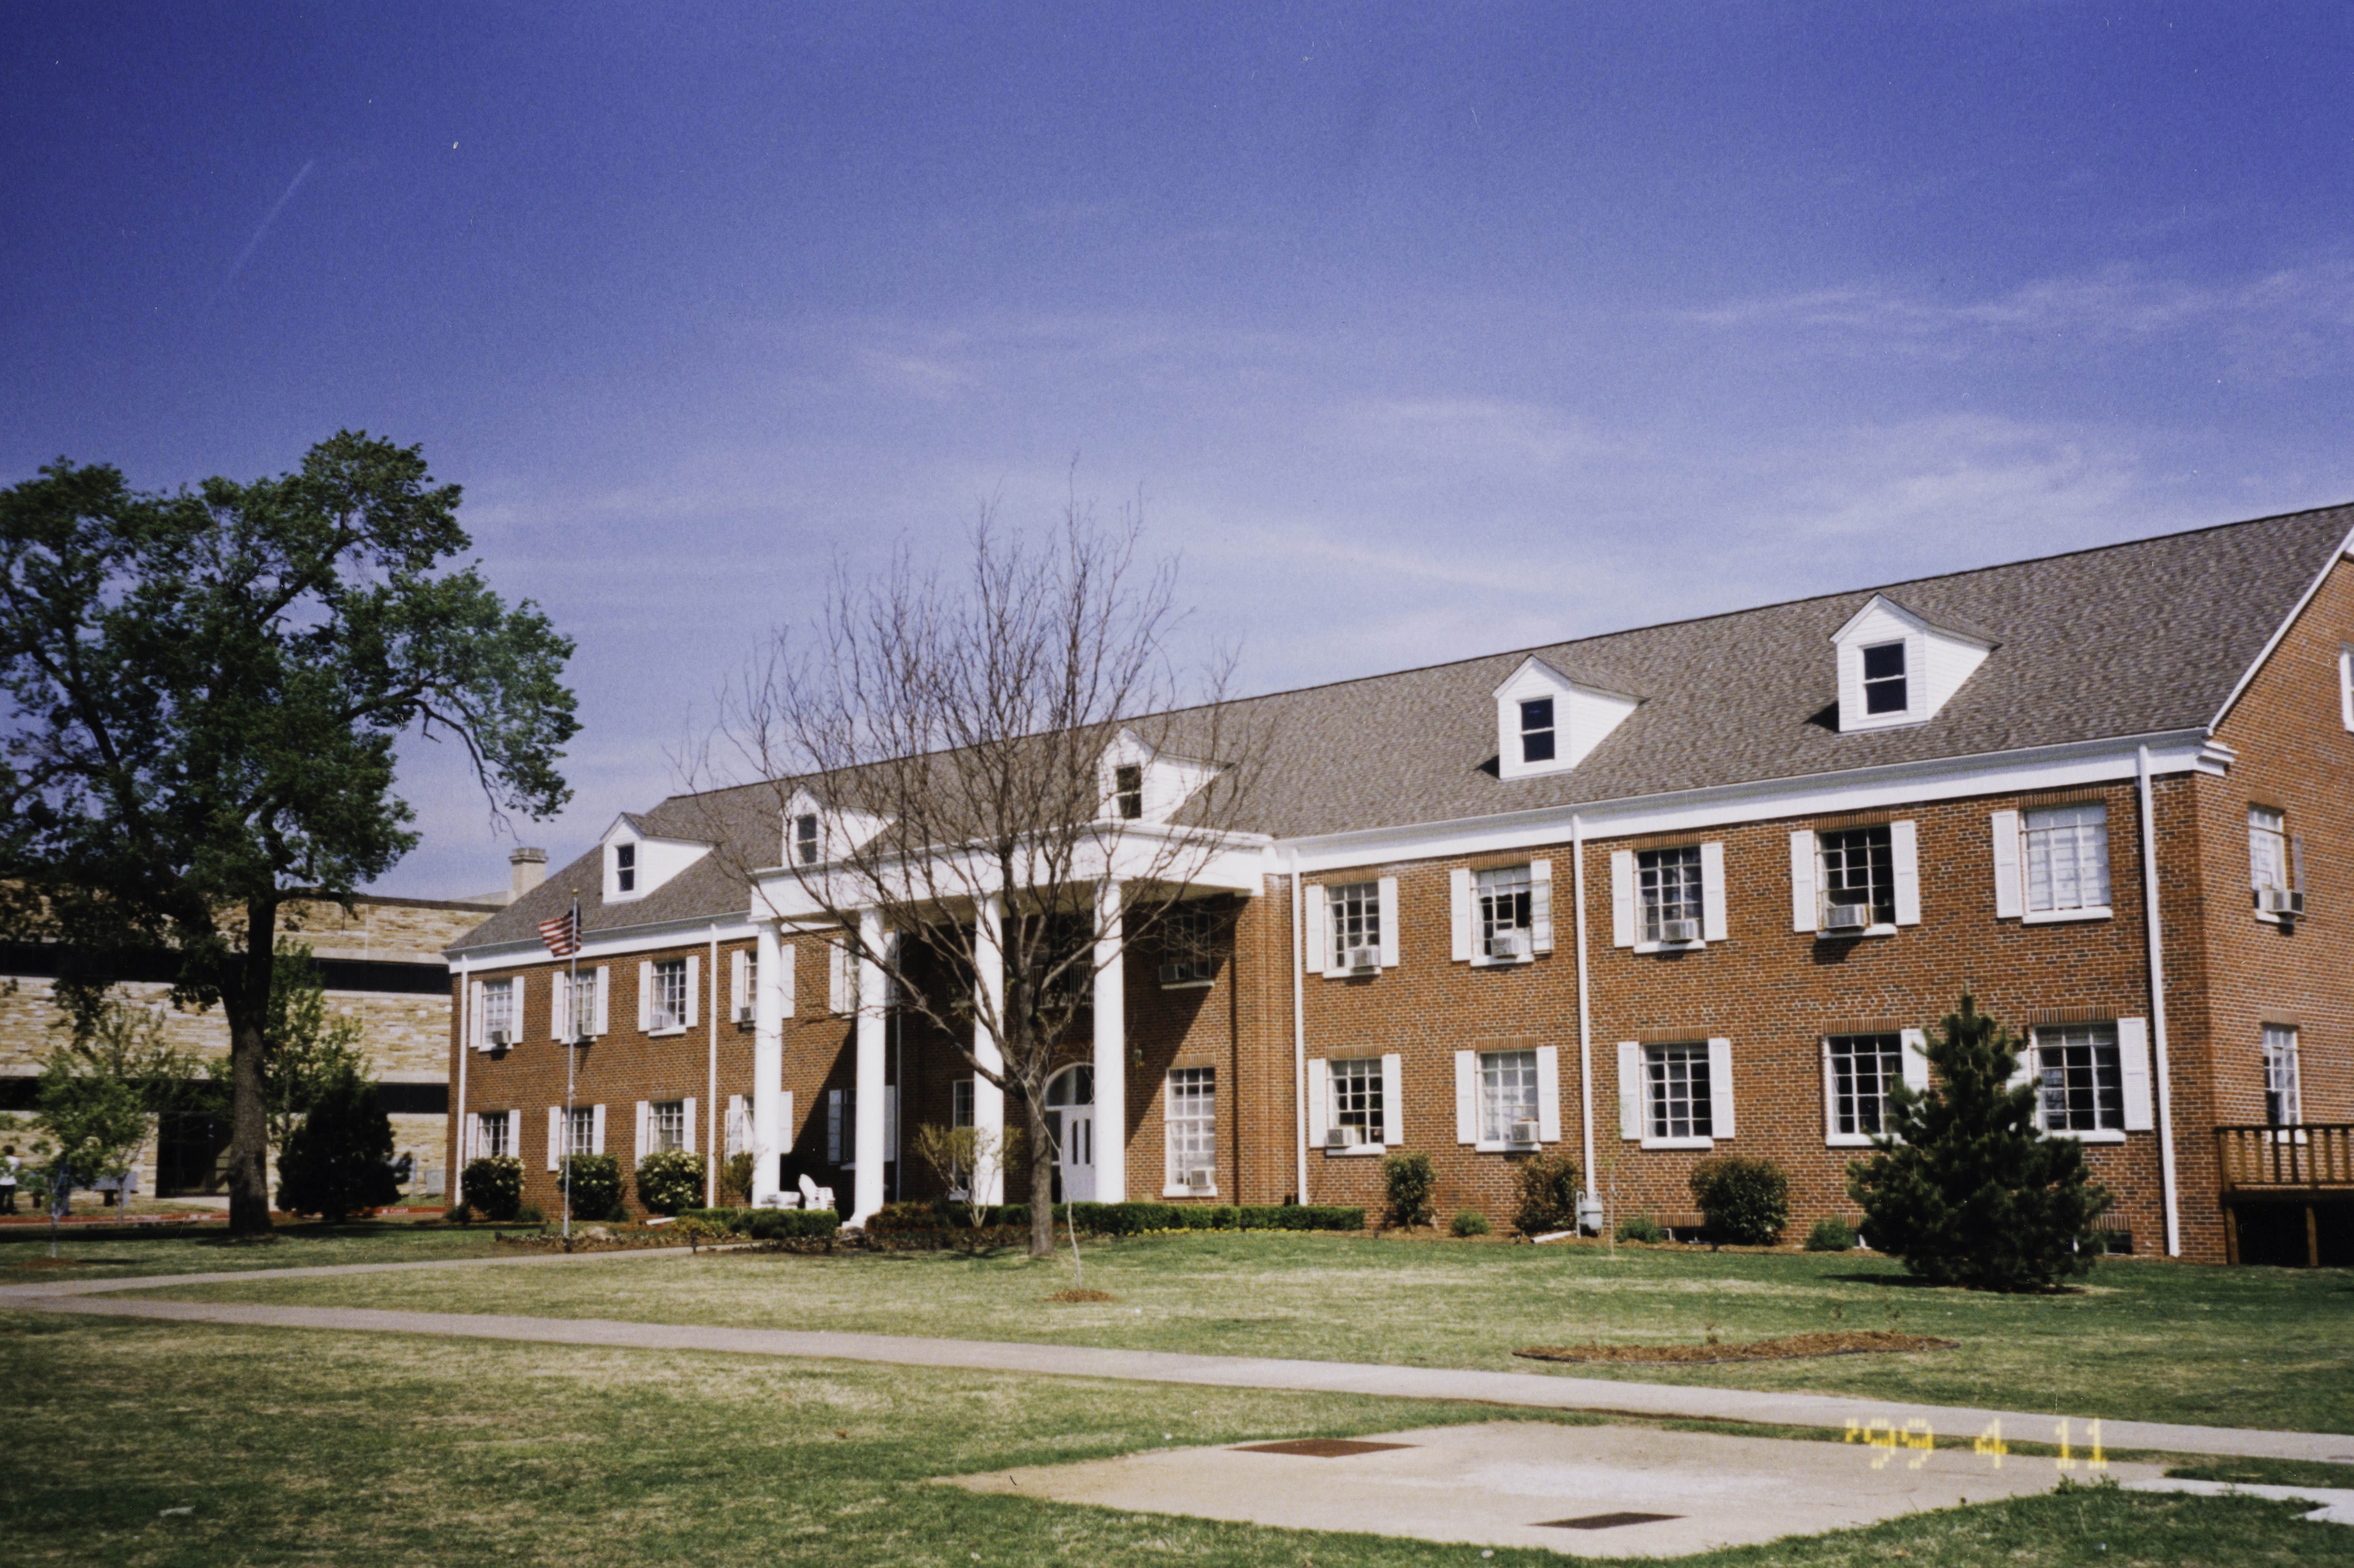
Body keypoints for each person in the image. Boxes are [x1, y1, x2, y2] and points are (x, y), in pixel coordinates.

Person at [0, 1146, 19, 1215]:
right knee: (10, 1198)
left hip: (2, 1181)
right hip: (12, 1181)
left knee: (1, 1198)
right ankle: (10, 1210)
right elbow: (18, 1168)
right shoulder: (16, 1159)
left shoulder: (1, 1159)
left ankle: (2, 1211)